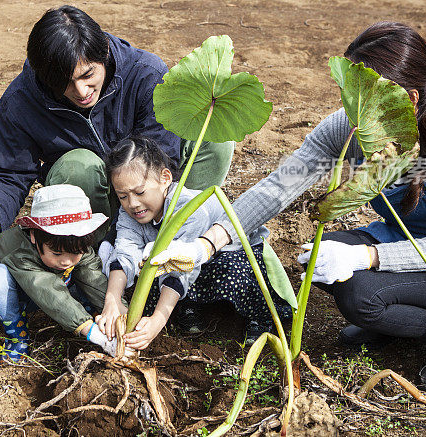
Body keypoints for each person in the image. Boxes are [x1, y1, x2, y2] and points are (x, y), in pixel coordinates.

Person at [227, 21, 426, 393]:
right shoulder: (350, 128)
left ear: (409, 99)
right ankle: (394, 320)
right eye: (350, 90)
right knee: (318, 259)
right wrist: (210, 237)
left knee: (361, 296)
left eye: (365, 95)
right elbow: (280, 185)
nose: (352, 106)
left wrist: (363, 258)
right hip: (405, 236)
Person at [0, 5, 235, 285]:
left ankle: (185, 241)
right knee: (78, 165)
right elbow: (9, 173)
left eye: (87, 75)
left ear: (104, 52)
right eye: (65, 84)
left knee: (214, 136)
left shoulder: (144, 73)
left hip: (153, 199)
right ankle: (93, 263)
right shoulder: (22, 99)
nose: (81, 92)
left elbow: (161, 158)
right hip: (94, 211)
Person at [96, 136, 294, 350]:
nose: (132, 203)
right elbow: (124, 252)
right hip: (187, 264)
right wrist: (112, 300)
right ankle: (192, 305)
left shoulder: (189, 208)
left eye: (140, 192)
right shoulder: (129, 214)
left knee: (230, 270)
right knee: (147, 271)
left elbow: (183, 269)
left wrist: (158, 321)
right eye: (123, 196)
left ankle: (260, 316)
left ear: (165, 179)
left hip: (232, 252)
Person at [0, 184, 118, 361]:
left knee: (85, 273)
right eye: (57, 253)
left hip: (51, 289)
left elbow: (94, 278)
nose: (66, 261)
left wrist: (118, 311)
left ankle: (88, 312)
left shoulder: (76, 244)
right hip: (11, 296)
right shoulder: (21, 250)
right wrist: (90, 331)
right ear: (34, 235)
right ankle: (16, 333)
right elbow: (45, 287)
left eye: (75, 252)